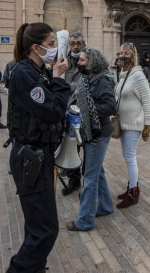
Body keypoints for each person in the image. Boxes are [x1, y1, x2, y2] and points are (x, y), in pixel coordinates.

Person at [6, 22, 70, 273]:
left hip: (41, 156)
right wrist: (59, 79)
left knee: (38, 226)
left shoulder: (38, 70)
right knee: (45, 230)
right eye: (51, 44)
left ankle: (35, 268)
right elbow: (52, 110)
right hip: (30, 158)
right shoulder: (24, 73)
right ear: (36, 47)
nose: (55, 49)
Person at [66, 48, 116, 231]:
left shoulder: (102, 80)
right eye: (79, 60)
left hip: (97, 133)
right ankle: (105, 206)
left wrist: (87, 108)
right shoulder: (87, 78)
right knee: (97, 171)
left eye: (82, 60)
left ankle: (85, 221)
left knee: (90, 177)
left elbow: (111, 106)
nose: (79, 63)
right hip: (91, 131)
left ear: (92, 62)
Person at [115, 42, 150, 209]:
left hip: (133, 124)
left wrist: (147, 127)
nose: (122, 56)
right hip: (123, 123)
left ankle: (133, 193)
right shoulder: (124, 74)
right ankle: (131, 186)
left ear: (133, 56)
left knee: (130, 158)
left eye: (126, 53)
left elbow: (148, 102)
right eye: (121, 53)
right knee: (127, 156)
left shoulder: (138, 76)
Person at [60, 31, 85, 196]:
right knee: (70, 147)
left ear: (83, 44)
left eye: (78, 43)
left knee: (88, 148)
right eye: (73, 43)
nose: (75, 46)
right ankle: (74, 181)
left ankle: (89, 182)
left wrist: (70, 87)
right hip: (68, 111)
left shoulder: (88, 61)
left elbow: (86, 85)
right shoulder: (64, 61)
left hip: (84, 112)